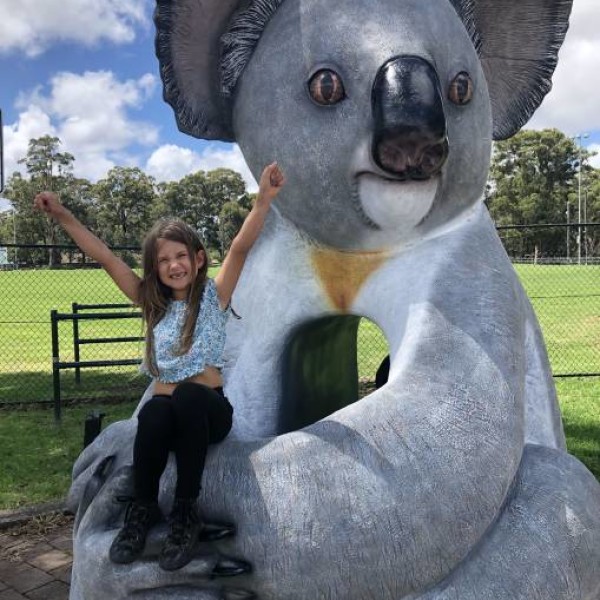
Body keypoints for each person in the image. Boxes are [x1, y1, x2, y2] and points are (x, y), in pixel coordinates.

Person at [34, 162, 285, 571]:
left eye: (181, 256)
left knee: (187, 393)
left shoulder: (214, 295)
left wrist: (263, 200)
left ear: (198, 259)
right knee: (152, 410)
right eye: (163, 259)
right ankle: (144, 508)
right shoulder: (151, 303)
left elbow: (239, 246)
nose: (173, 265)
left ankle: (186, 511)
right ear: (155, 267)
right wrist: (62, 215)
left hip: (209, 412)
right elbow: (104, 256)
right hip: (168, 419)